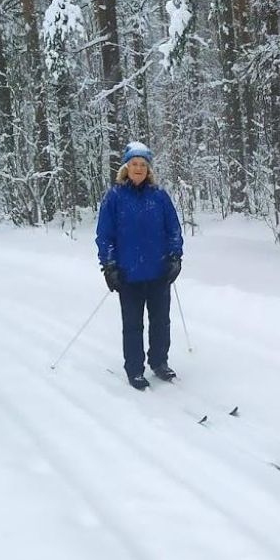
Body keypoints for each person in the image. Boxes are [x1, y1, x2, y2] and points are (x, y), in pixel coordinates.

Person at [96, 141, 184, 390]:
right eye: (134, 164)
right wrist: (109, 266)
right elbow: (104, 235)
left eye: (143, 165)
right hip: (128, 275)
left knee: (161, 322)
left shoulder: (159, 196)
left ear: (148, 169)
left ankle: (159, 362)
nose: (138, 168)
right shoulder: (114, 197)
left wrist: (175, 257)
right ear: (126, 167)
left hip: (158, 273)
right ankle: (134, 369)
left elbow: (173, 229)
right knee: (133, 325)